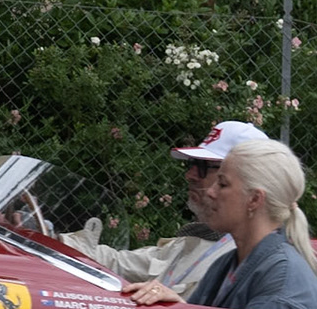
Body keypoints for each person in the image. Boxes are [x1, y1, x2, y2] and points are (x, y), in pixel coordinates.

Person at [60, 121, 268, 298]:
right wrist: (52, 238)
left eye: (203, 167)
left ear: (249, 190)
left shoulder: (251, 259)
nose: (190, 175)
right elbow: (118, 263)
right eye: (192, 164)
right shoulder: (192, 242)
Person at [125, 138, 317, 309]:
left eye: (222, 184)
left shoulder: (282, 284)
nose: (211, 192)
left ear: (254, 199)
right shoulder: (228, 263)